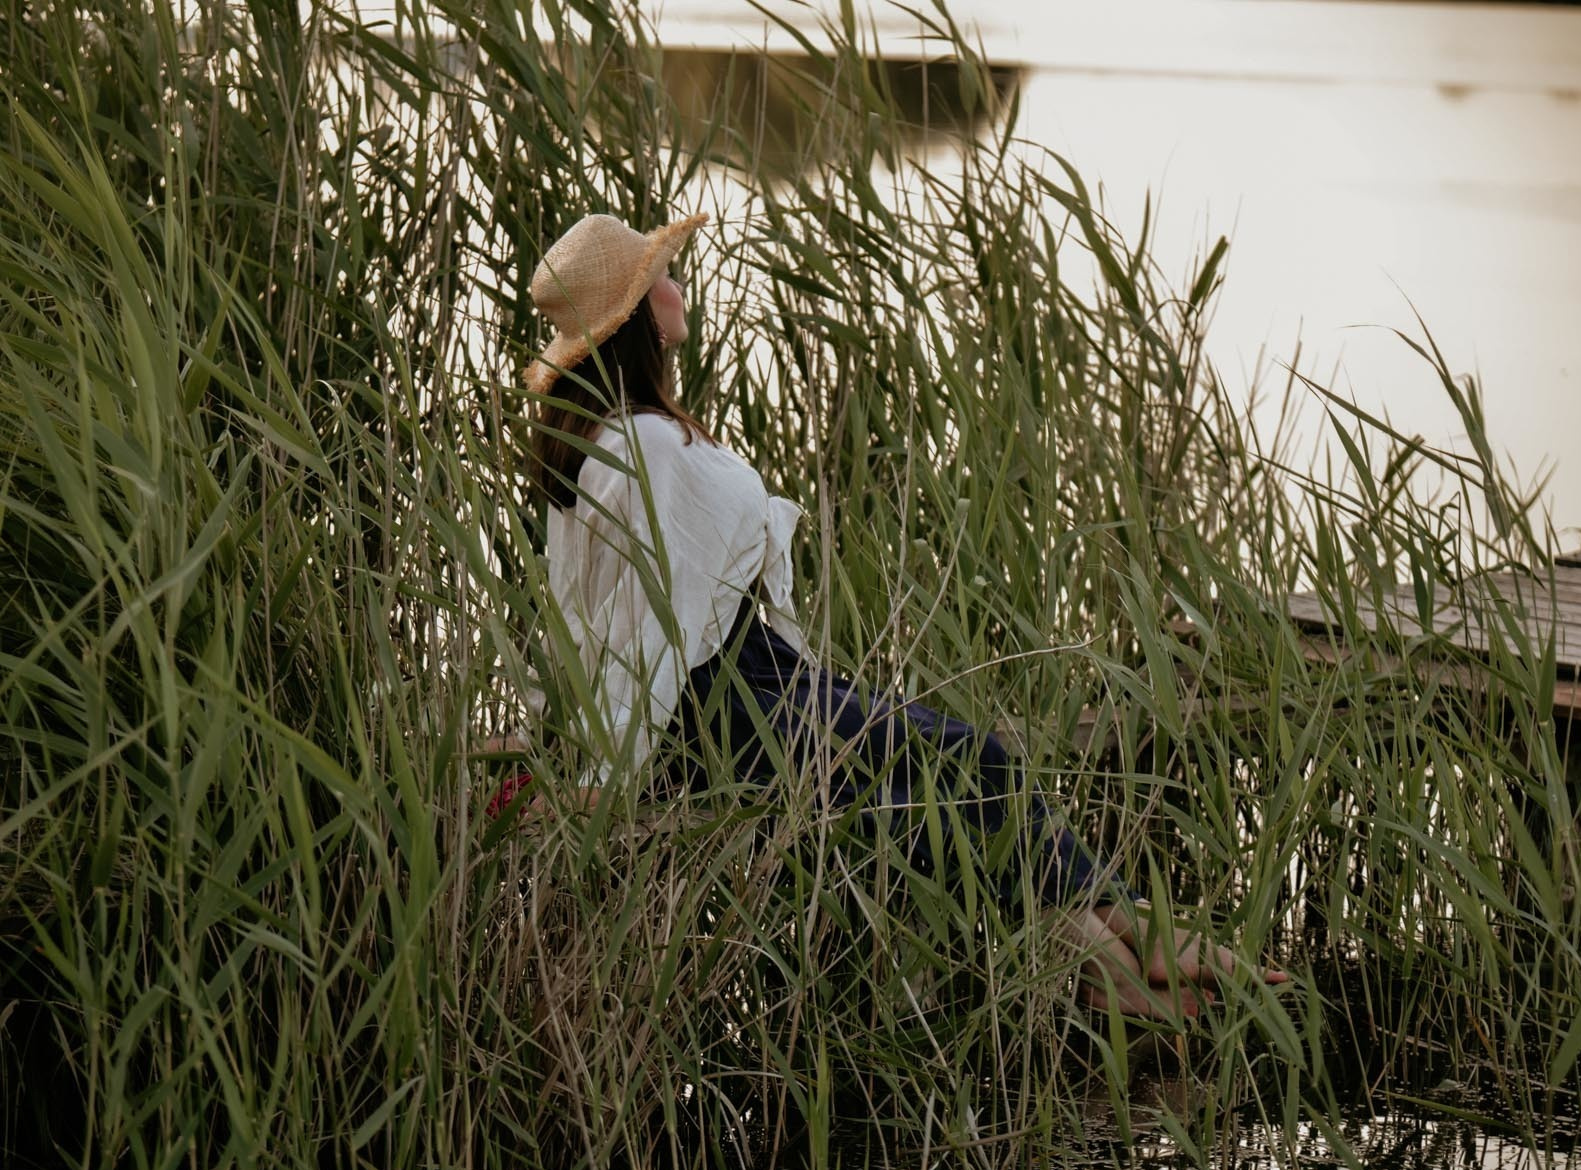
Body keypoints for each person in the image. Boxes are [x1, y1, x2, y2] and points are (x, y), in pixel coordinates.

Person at [504, 210, 1286, 1020]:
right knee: (954, 771)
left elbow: (595, 612)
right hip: (722, 700)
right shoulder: (647, 448)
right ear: (634, 316)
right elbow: (646, 629)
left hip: (749, 675)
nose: (676, 284)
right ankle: (1130, 952)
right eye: (660, 276)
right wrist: (613, 766)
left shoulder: (611, 436)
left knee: (954, 769)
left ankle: (1117, 954)